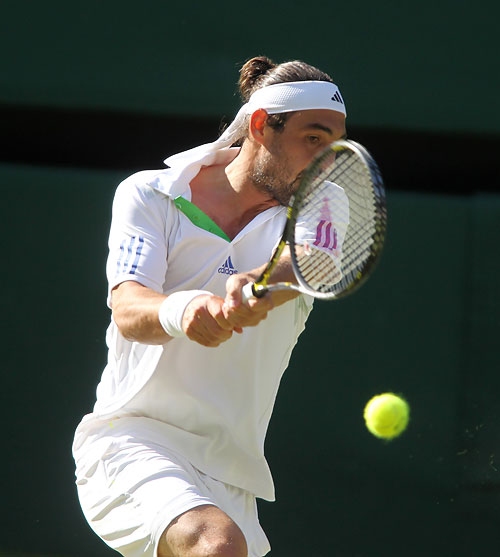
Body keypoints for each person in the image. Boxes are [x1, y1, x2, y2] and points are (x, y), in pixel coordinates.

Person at [72, 55, 347, 557]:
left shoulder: (326, 203)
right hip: (131, 440)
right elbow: (129, 309)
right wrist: (185, 312)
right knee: (216, 544)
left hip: (233, 473)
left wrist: (258, 285)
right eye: (313, 138)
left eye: (335, 144)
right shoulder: (151, 193)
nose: (326, 160)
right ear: (261, 126)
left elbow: (309, 262)